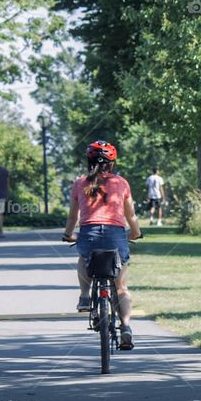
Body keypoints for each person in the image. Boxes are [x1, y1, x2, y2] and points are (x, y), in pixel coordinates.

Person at [61, 141, 143, 349]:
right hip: (115, 234)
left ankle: (85, 296)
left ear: (88, 162)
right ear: (112, 164)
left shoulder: (80, 183)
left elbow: (73, 216)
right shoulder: (121, 183)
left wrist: (68, 234)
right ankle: (125, 327)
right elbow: (130, 214)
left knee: (83, 257)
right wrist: (135, 233)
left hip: (89, 233)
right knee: (121, 287)